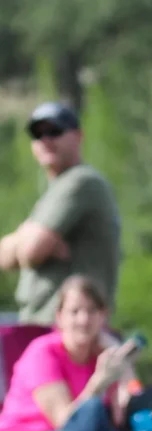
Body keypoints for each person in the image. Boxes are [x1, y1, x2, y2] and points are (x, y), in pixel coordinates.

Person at [0, 276, 140, 431]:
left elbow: (121, 420)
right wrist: (99, 383)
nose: (83, 320)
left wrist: (123, 369)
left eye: (91, 311)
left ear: (102, 316)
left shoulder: (100, 358)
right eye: (75, 311)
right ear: (60, 316)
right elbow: (66, 421)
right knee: (95, 416)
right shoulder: (42, 352)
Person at [0, 102, 121, 325]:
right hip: (44, 325)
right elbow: (4, 257)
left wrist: (25, 239)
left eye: (55, 131)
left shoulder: (80, 182)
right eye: (38, 134)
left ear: (78, 136)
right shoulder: (54, 190)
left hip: (73, 329)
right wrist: (27, 237)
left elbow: (31, 251)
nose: (45, 140)